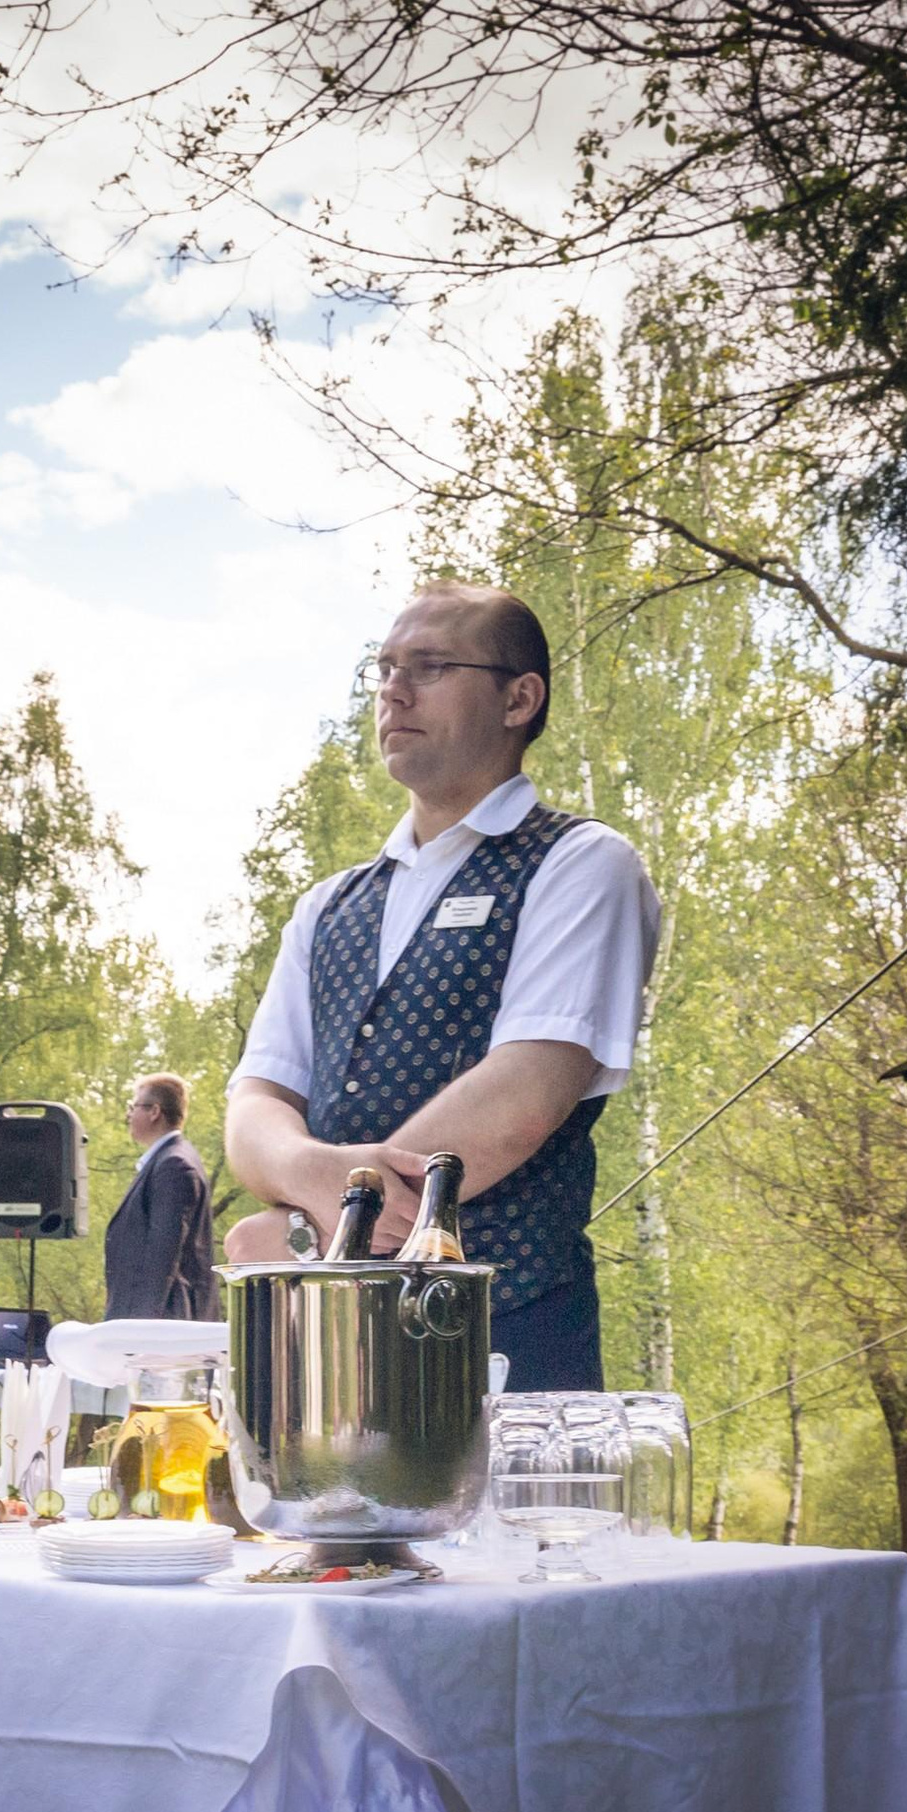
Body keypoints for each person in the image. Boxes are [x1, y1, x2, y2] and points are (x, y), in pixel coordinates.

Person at [223, 582, 659, 1391]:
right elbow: (254, 1106)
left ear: (518, 698)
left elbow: (524, 1095)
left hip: (507, 1343)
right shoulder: (327, 907)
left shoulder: (582, 864)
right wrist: (313, 1174)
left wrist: (323, 1217)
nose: (393, 689)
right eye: (384, 668)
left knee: (516, 1526)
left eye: (429, 666)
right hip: (327, 1351)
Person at [103, 1073, 219, 1320]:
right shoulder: (167, 1162)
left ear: (155, 1111)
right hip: (161, 1326)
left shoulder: (174, 1166)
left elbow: (162, 1257)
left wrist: (139, 1331)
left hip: (165, 1330)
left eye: (133, 1107)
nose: (129, 1116)